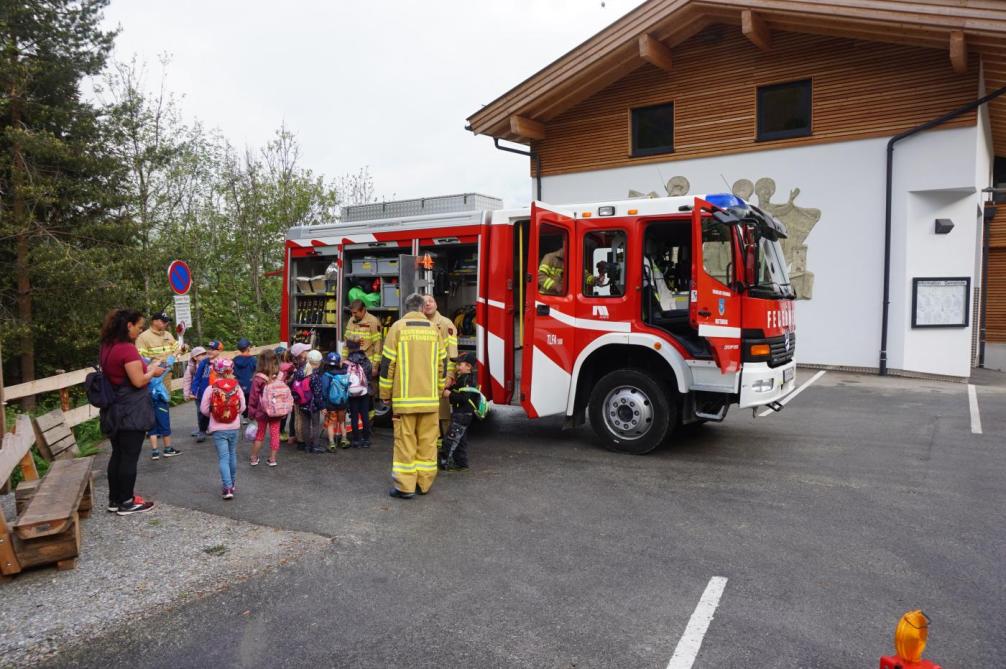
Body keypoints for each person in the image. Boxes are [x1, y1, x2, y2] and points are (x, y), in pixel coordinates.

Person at [380, 292, 447, 499]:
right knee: (427, 443)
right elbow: (442, 365)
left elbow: (387, 365)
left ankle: (405, 487)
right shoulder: (434, 330)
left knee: (405, 442)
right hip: (429, 400)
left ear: (407, 308)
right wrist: (437, 390)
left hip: (405, 401)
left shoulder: (398, 328)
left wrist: (385, 393)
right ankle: (424, 484)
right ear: (421, 309)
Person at [98, 308, 165, 516]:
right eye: (139, 326)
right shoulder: (126, 349)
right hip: (130, 410)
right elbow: (138, 381)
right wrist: (153, 371)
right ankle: (127, 501)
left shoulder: (106, 346)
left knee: (117, 454)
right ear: (129, 326)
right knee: (129, 456)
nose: (140, 330)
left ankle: (114, 499)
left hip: (112, 409)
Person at [137, 312, 182, 459]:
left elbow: (177, 349)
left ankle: (162, 447)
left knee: (163, 409)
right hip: (151, 380)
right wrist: (155, 367)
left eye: (167, 321)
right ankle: (160, 448)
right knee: (153, 413)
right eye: (163, 321)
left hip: (166, 379)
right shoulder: (143, 337)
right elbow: (140, 360)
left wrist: (182, 348)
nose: (165, 324)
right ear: (154, 321)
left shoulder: (168, 334)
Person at [199, 357, 245, 499]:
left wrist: (214, 415)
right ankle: (233, 483)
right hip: (234, 426)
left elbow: (203, 409)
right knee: (232, 455)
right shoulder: (236, 387)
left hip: (218, 428)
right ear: (230, 370)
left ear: (215, 371)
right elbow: (242, 407)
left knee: (223, 458)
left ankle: (227, 488)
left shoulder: (211, 388)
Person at [422, 295, 458, 451]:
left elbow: (452, 353)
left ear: (436, 304)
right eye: (424, 302)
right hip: (423, 376)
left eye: (430, 301)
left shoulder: (445, 324)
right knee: (427, 413)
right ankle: (432, 446)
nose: (427, 304)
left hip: (440, 375)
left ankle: (447, 447)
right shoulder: (418, 323)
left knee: (443, 415)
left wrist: (450, 374)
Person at [441, 351, 480, 471]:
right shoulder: (464, 378)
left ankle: (444, 463)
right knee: (461, 440)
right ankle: (462, 464)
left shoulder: (467, 381)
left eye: (459, 364)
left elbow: (463, 398)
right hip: (463, 414)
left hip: (462, 414)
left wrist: (449, 394)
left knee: (450, 439)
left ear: (468, 366)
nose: (457, 367)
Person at [248, 349, 287, 467]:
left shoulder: (258, 378)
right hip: (276, 411)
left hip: (262, 411)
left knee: (260, 434)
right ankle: (272, 459)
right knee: (275, 434)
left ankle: (254, 458)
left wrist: (251, 413)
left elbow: (253, 397)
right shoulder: (280, 375)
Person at [145, 354, 179, 460]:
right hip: (160, 403)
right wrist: (174, 355)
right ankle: (168, 449)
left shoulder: (143, 376)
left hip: (147, 403)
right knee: (165, 425)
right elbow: (168, 365)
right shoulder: (157, 376)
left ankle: (155, 451)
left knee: (152, 427)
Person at [191, 340, 223, 442]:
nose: (210, 351)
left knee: (217, 410)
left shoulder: (223, 363)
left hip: (218, 391)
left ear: (219, 350)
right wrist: (194, 390)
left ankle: (217, 429)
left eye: (213, 349)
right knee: (202, 411)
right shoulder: (204, 363)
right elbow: (197, 377)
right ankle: (202, 431)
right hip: (203, 392)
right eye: (209, 349)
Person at [344, 336, 373, 448]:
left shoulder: (347, 362)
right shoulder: (365, 360)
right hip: (364, 391)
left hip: (352, 393)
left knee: (354, 415)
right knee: (365, 415)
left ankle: (356, 439)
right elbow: (369, 376)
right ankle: (366, 439)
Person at [342, 300, 383, 378]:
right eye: (352, 312)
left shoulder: (373, 321)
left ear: (363, 310)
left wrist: (375, 366)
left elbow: (378, 345)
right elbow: (346, 342)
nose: (353, 315)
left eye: (355, 312)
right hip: (352, 361)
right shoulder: (351, 320)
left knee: (366, 388)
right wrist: (343, 359)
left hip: (367, 362)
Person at [320, 352, 350, 451]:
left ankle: (332, 443)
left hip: (330, 404)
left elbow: (324, 391)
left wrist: (323, 405)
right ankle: (344, 440)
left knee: (331, 424)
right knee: (342, 422)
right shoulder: (344, 373)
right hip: (342, 403)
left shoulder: (326, 375)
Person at [288, 342, 312, 450]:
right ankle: (302, 440)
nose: (308, 352)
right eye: (306, 351)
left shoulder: (295, 365)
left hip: (297, 395)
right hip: (305, 396)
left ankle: (299, 439)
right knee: (302, 418)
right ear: (302, 354)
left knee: (298, 417)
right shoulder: (306, 366)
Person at [183, 345, 207, 437]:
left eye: (205, 354)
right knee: (200, 411)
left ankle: (209, 428)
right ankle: (201, 430)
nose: (204, 356)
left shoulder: (208, 364)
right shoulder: (191, 368)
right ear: (195, 357)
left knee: (210, 410)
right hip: (198, 393)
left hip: (208, 392)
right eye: (202, 355)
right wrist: (186, 394)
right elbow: (187, 380)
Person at [232, 338, 257, 424]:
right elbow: (256, 370)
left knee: (241, 400)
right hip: (250, 384)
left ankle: (244, 417)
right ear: (248, 348)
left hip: (239, 384)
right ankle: (251, 416)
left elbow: (233, 371)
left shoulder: (235, 360)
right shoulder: (253, 359)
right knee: (251, 400)